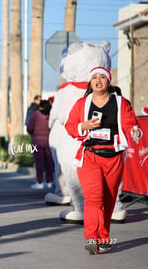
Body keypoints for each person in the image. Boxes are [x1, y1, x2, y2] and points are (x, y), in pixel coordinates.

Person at [65, 67, 140, 255]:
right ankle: (91, 237)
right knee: (94, 198)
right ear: (90, 82)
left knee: (108, 200)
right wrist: (84, 125)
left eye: (102, 77)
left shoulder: (121, 103)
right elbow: (70, 125)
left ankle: (104, 237)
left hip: (114, 157)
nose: (98, 81)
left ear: (109, 80)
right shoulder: (82, 104)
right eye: (94, 78)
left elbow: (131, 124)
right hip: (90, 155)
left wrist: (134, 131)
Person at [27, 100, 54, 189]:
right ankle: (49, 181)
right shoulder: (51, 115)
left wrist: (33, 133)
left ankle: (40, 182)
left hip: (37, 142)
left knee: (39, 163)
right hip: (49, 141)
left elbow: (29, 127)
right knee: (49, 162)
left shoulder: (36, 114)